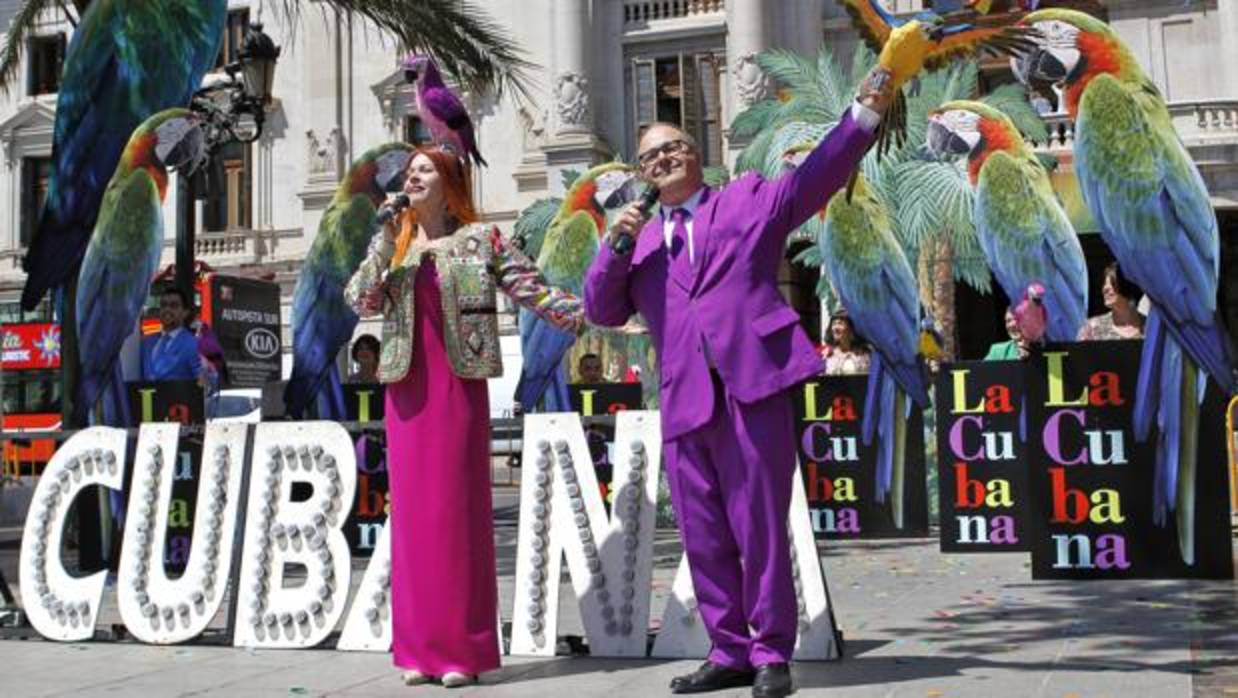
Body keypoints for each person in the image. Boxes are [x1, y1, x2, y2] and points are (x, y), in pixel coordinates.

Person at [584, 28, 920, 696]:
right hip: (685, 398)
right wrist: (613, 246)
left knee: (759, 524)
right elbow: (600, 308)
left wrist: (873, 99)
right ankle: (728, 650)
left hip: (753, 384)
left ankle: (771, 655)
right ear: (641, 173)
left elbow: (820, 172)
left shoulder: (747, 199)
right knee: (705, 534)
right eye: (652, 155)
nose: (666, 158)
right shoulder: (640, 240)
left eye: (676, 146)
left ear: (697, 156)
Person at [345, 145, 582, 688]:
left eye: (424, 170)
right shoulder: (396, 244)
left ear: (450, 181)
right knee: (412, 522)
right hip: (405, 390)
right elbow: (359, 300)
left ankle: (462, 651)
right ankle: (419, 650)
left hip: (457, 386)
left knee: (456, 516)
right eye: (410, 173)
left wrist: (591, 310)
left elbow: (532, 288)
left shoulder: (482, 240)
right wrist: (384, 238)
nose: (413, 177)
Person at [140, 287, 204, 382]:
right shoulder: (147, 343)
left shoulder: (193, 345)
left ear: (185, 312)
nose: (167, 309)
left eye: (173, 306)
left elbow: (206, 386)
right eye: (163, 305)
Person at [1077, 262, 1146, 341]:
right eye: (1104, 284)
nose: (1105, 289)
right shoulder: (1092, 329)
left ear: (1128, 286)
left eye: (1112, 283)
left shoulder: (1151, 328)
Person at [819, 311, 871, 375]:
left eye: (840, 324)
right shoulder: (826, 354)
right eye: (834, 324)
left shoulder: (865, 353)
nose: (835, 328)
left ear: (851, 329)